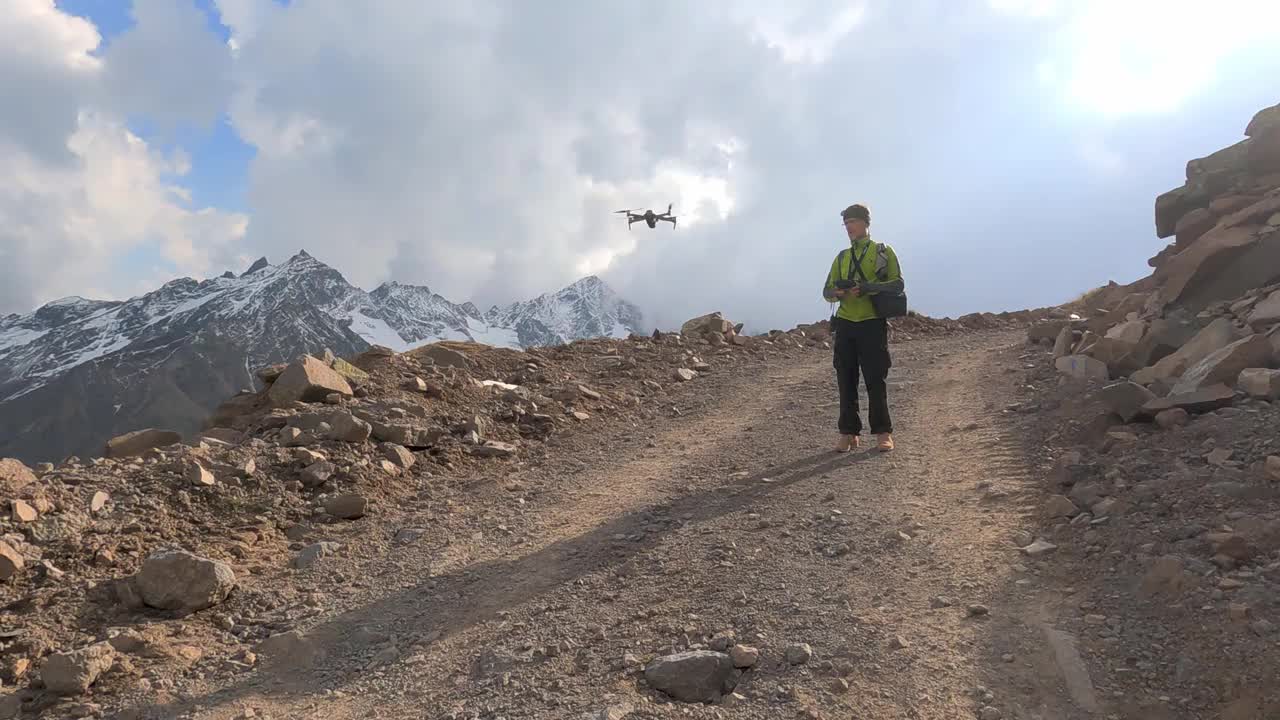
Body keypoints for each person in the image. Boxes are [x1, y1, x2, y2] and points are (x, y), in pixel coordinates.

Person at [821, 203, 904, 453]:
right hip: (846, 324)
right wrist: (840, 292)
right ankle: (848, 433)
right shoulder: (842, 257)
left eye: (853, 222)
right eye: (845, 224)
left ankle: (883, 433)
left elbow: (898, 284)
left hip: (872, 322)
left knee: (875, 379)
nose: (848, 228)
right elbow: (826, 292)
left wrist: (868, 288)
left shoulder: (882, 251)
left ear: (866, 223)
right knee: (845, 378)